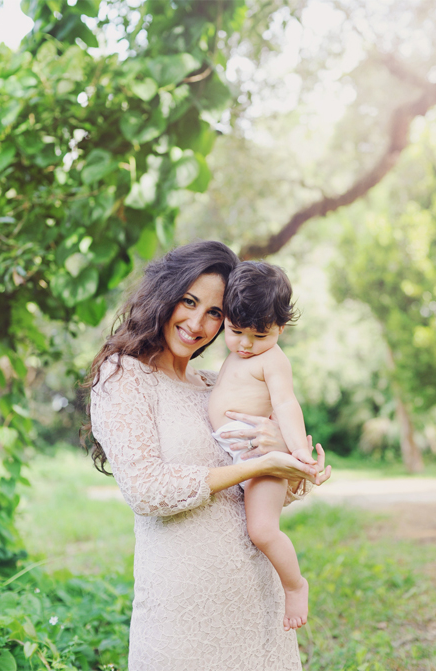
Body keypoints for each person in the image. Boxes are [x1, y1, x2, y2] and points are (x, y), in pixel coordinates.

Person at [84, 240, 331, 671]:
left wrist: (290, 460)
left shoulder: (217, 384)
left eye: (215, 313)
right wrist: (258, 463)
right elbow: (147, 491)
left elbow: (272, 490)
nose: (197, 323)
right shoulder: (124, 377)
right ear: (165, 295)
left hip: (257, 603)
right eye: (189, 301)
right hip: (182, 618)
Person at [208, 260, 327, 632]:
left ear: (281, 327)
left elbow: (286, 405)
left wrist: (299, 453)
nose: (245, 344)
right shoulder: (233, 354)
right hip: (238, 458)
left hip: (262, 459)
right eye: (235, 331)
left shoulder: (273, 360)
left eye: (259, 336)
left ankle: (295, 585)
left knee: (262, 530)